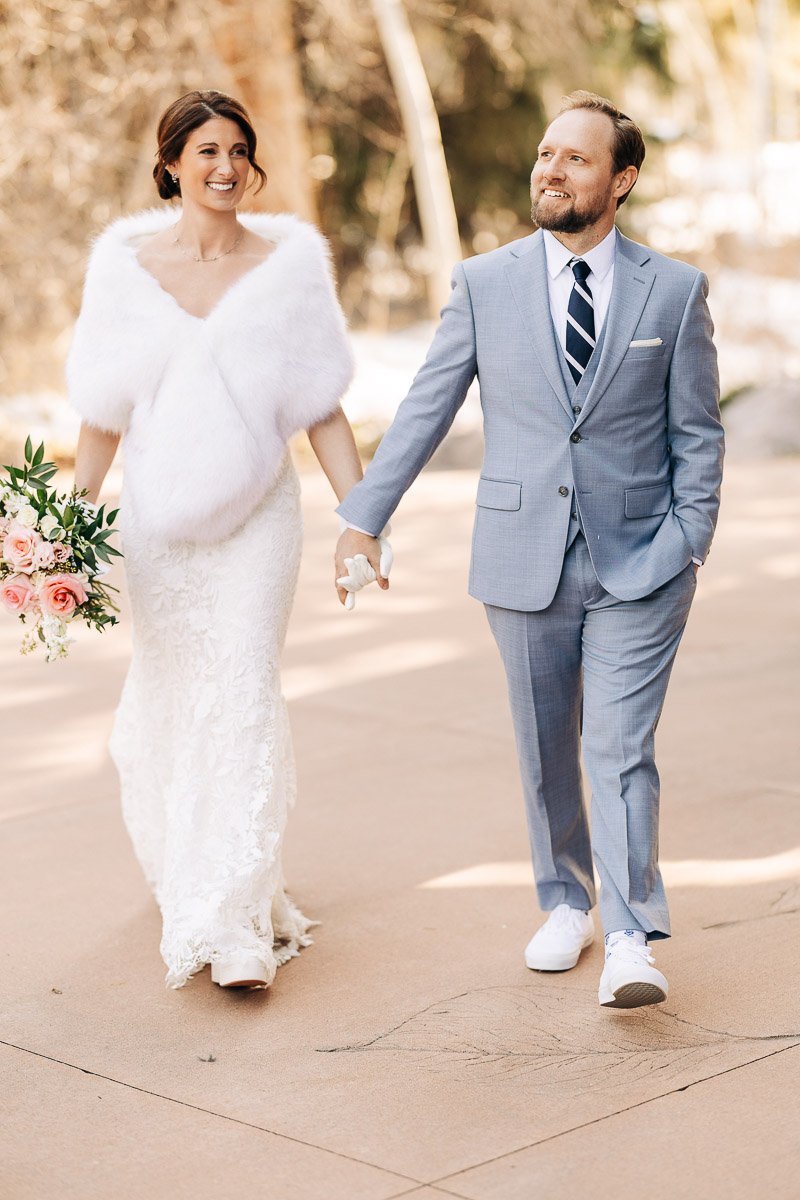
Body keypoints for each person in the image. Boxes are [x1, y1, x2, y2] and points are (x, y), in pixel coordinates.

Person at [335, 91, 724, 1008]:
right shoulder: (485, 282)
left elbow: (698, 433)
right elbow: (427, 408)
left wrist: (689, 538)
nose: (550, 169)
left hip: (643, 561)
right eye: (546, 154)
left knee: (620, 748)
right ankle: (565, 900)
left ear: (620, 180)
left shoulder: (674, 289)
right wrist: (364, 514)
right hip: (521, 553)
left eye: (576, 159)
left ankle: (630, 934)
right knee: (545, 745)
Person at [69, 89, 381, 990]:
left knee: (241, 688)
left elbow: (320, 405)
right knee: (174, 695)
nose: (225, 166)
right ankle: (190, 869)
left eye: (239, 150)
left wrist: (357, 519)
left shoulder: (289, 266)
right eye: (205, 150)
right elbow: (99, 417)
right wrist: (58, 531)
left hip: (258, 523)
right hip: (156, 529)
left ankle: (235, 921)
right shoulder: (121, 271)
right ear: (170, 164)